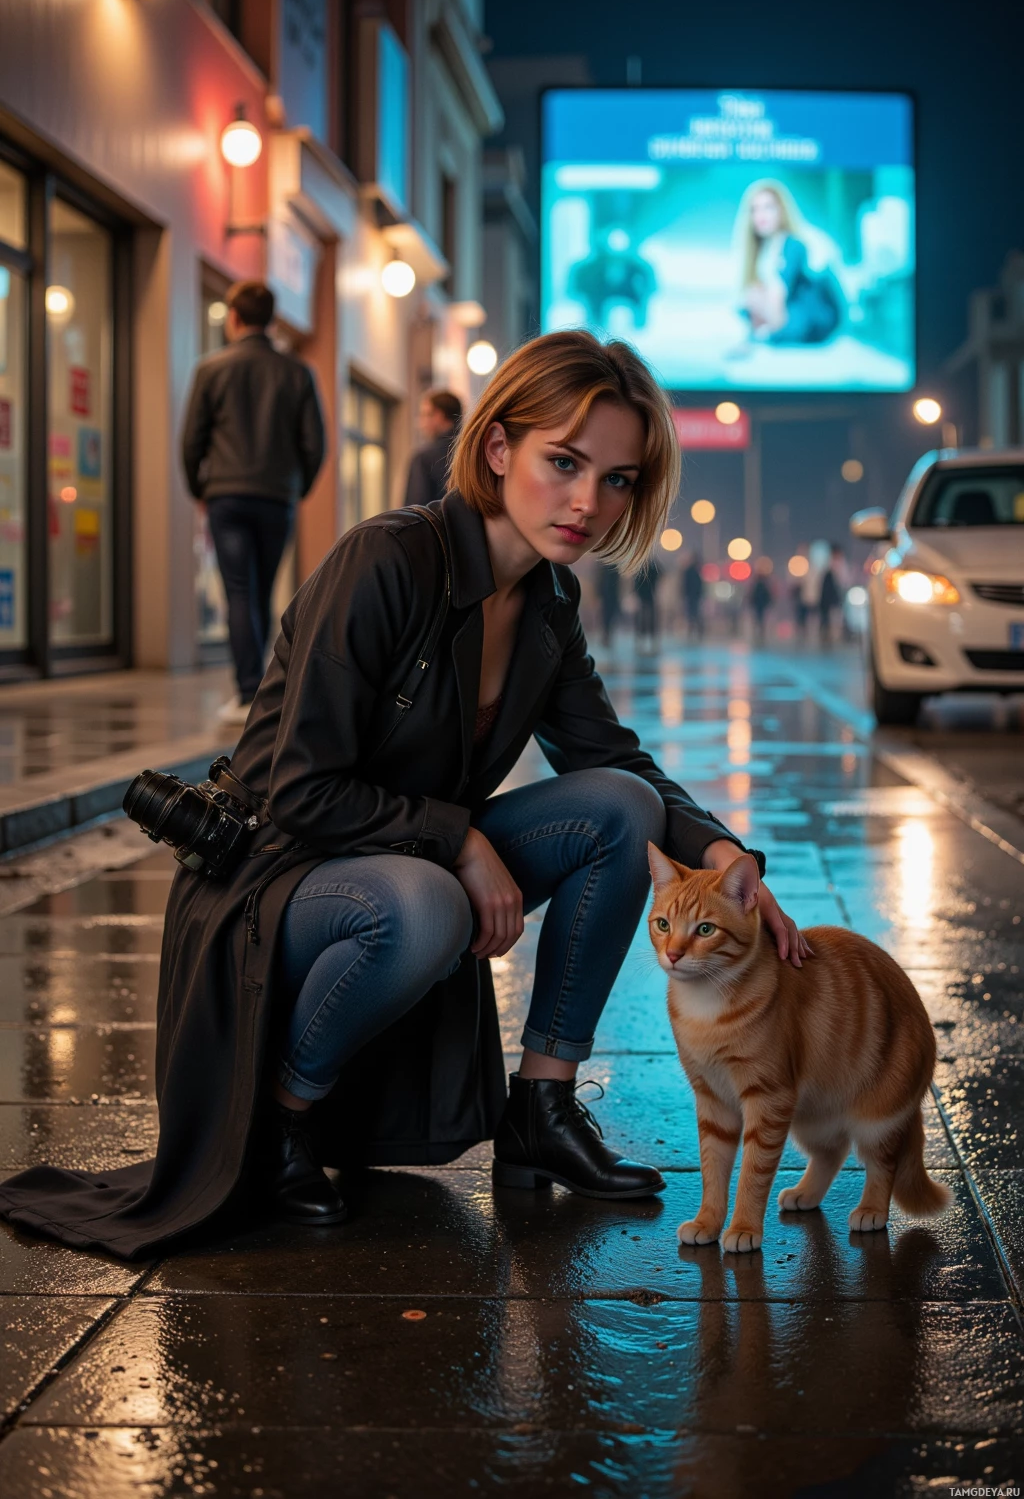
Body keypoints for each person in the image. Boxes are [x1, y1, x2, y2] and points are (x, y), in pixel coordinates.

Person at [0, 331, 809, 1257]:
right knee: (425, 903)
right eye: (564, 462)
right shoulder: (387, 560)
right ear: (499, 449)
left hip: (404, 853)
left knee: (619, 809)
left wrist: (727, 860)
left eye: (617, 479)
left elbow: (621, 762)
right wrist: (460, 839)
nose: (588, 501)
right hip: (279, 873)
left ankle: (541, 1109)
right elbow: (302, 791)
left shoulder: (548, 604)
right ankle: (279, 1119)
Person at [182, 280, 325, 724]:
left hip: (226, 495)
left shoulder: (211, 369)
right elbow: (315, 444)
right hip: (275, 497)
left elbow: (191, 441)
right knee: (261, 591)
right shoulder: (297, 371)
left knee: (239, 591)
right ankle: (262, 691)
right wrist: (294, 489)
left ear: (235, 317)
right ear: (271, 319)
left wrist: (199, 490)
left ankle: (247, 692)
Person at [733, 182, 843, 349]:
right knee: (749, 300)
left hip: (815, 317)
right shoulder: (765, 249)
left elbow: (778, 296)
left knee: (755, 301)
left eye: (768, 207)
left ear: (781, 211)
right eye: (755, 209)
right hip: (791, 312)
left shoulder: (792, 244)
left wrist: (768, 329)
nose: (761, 215)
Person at [405, 389, 462, 505]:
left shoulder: (424, 458)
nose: (420, 423)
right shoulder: (475, 451)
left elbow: (414, 511)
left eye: (425, 415)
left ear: (438, 416)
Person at [633, 555, 661, 650]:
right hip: (644, 596)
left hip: (648, 596)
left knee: (648, 620)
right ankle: (643, 641)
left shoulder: (651, 565)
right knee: (643, 620)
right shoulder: (642, 566)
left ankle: (649, 641)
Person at [750, 560, 773, 644]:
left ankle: (759, 630)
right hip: (759, 603)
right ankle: (759, 630)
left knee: (759, 617)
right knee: (759, 617)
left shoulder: (761, 582)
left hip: (760, 603)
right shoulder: (760, 582)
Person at [682, 554, 704, 639]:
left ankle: (692, 632)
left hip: (692, 597)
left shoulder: (690, 571)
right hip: (694, 597)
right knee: (694, 615)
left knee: (692, 615)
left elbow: (685, 585)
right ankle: (695, 632)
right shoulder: (696, 571)